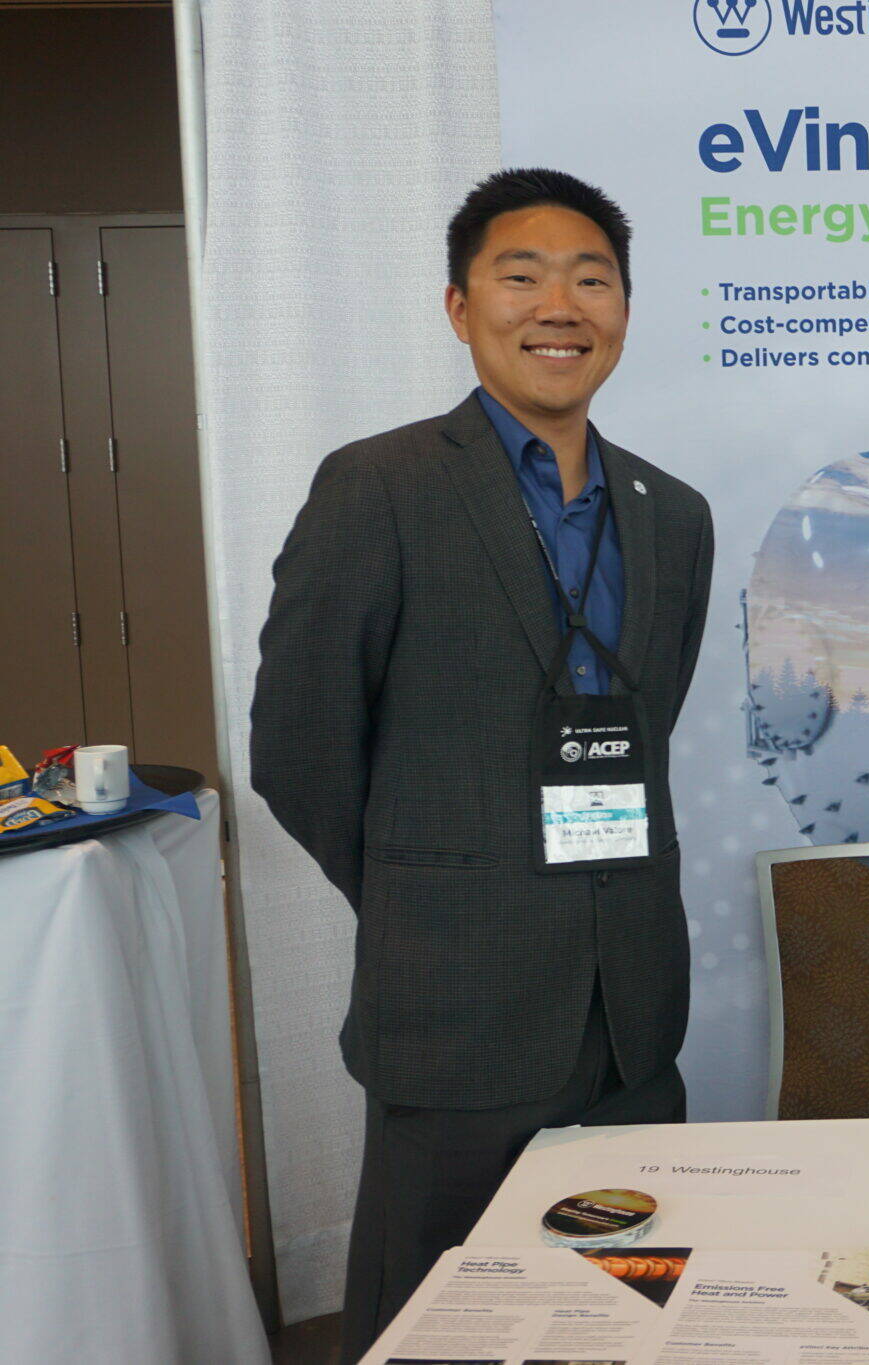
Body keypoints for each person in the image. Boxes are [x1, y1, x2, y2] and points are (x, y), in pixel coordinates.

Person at [250, 168, 713, 1357]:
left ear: (623, 307)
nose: (560, 304)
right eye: (522, 276)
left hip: (630, 1023)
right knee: (436, 1327)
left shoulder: (674, 511)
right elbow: (298, 750)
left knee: (620, 1320)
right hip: (454, 1010)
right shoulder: (381, 486)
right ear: (460, 307)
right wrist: (429, 893)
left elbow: (645, 728)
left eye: (592, 278)